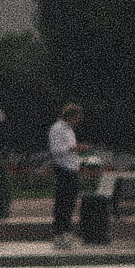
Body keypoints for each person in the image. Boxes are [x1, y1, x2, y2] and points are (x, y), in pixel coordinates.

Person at [48, 103, 89, 249]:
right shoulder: (57, 129)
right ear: (70, 116)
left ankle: (65, 232)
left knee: (70, 202)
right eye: (76, 118)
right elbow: (55, 150)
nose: (77, 121)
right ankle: (60, 233)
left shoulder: (69, 130)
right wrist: (74, 148)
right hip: (63, 169)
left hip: (71, 168)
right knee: (63, 202)